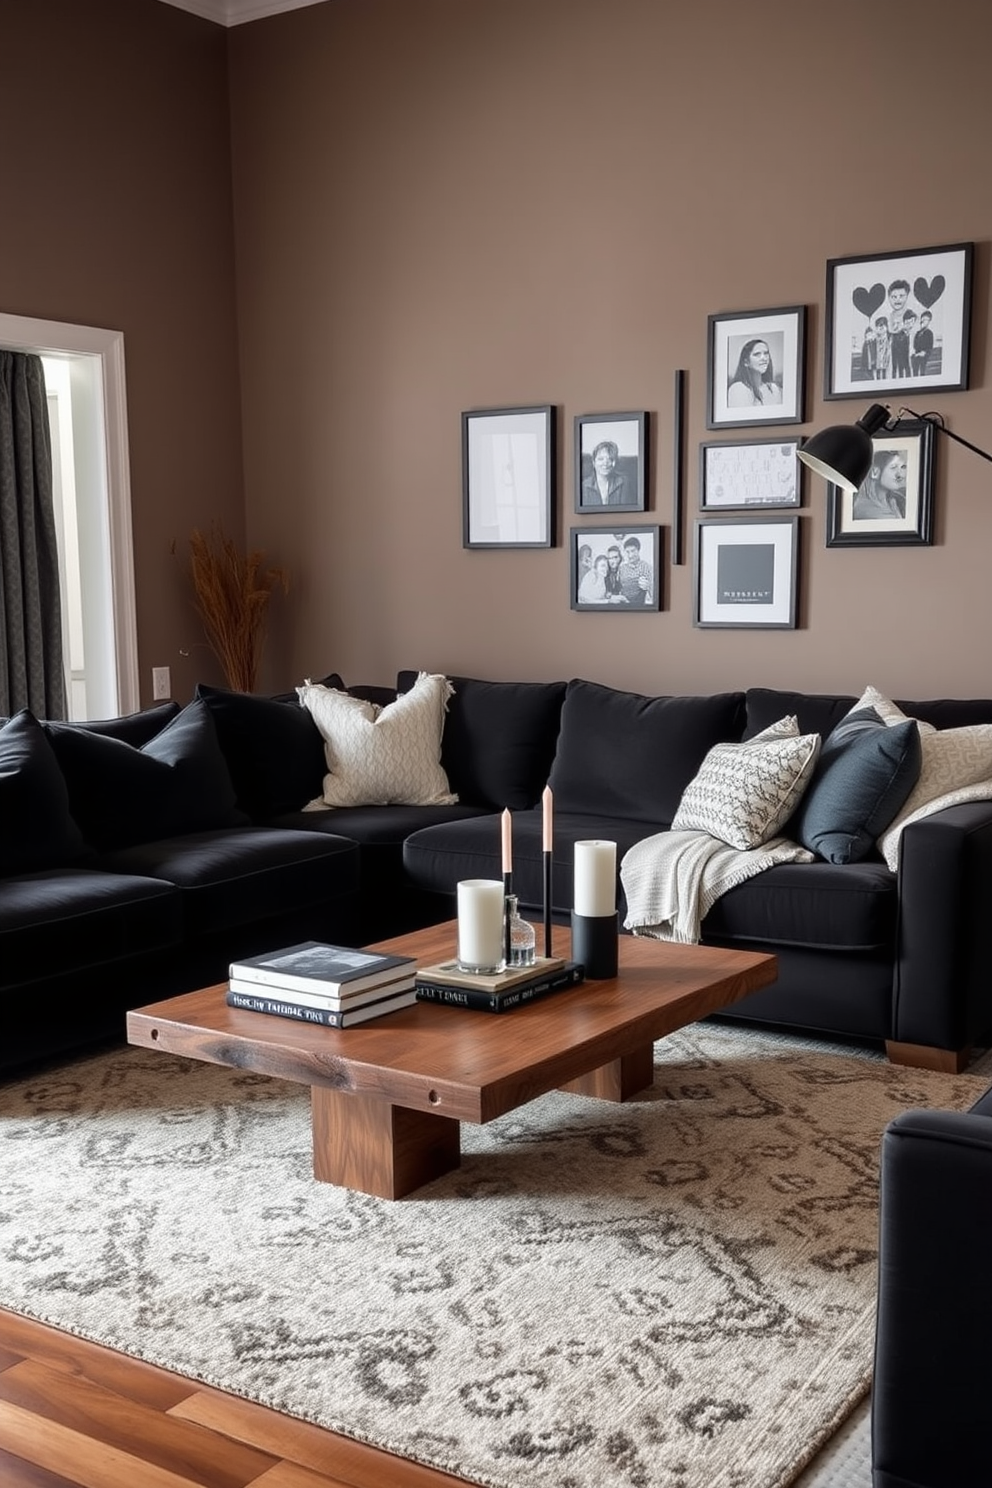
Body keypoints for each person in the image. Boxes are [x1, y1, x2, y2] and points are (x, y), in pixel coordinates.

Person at [853, 448, 907, 520]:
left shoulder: (898, 500)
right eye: (893, 467)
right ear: (875, 472)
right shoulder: (865, 510)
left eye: (902, 467)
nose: (899, 475)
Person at [726, 339, 783, 408]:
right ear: (746, 362)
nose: (764, 358)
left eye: (766, 353)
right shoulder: (737, 389)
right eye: (757, 354)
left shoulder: (774, 389)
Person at [581, 440, 628, 506]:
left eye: (610, 459)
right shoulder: (584, 486)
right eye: (600, 459)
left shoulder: (624, 482)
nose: (605, 463)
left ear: (615, 462)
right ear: (594, 462)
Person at [617, 535, 653, 604]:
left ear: (638, 550)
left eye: (633, 551)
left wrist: (648, 587)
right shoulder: (622, 568)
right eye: (627, 552)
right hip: (623, 603)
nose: (630, 555)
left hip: (639, 604)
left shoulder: (646, 566)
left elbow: (652, 592)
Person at [890, 309, 913, 379]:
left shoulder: (904, 331)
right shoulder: (895, 333)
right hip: (896, 352)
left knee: (905, 367)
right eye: (894, 323)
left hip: (904, 353)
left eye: (897, 323)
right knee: (896, 368)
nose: (896, 325)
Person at [912, 310, 934, 375]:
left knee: (922, 370)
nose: (923, 321)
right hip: (917, 354)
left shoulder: (929, 333)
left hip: (924, 355)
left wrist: (924, 352)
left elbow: (930, 346)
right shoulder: (918, 333)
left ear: (929, 321)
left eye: (925, 320)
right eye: (922, 319)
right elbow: (915, 345)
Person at [872, 316, 891, 380]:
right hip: (878, 361)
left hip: (888, 362)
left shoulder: (891, 338)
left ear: (886, 327)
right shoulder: (874, 339)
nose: (880, 328)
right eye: (878, 327)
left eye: (882, 326)